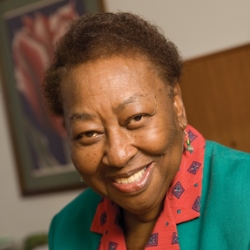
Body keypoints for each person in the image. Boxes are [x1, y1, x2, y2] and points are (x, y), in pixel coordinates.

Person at [43, 12, 250, 250]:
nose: (119, 155)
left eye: (136, 118)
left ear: (177, 106)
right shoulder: (65, 228)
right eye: (89, 133)